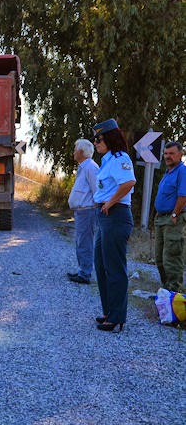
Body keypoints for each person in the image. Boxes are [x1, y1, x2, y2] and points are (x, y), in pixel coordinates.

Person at [92, 119, 136, 332]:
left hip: (116, 216)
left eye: (98, 139)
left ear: (109, 138)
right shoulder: (107, 160)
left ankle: (117, 317)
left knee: (114, 267)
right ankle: (109, 311)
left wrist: (110, 202)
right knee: (101, 264)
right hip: (105, 216)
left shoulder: (120, 158)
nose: (96, 143)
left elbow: (128, 183)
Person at [153, 141, 186, 292]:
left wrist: (174, 214)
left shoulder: (182, 171)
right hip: (161, 219)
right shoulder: (168, 172)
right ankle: (167, 293)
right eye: (165, 154)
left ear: (181, 154)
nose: (168, 156)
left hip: (174, 219)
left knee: (171, 259)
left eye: (172, 153)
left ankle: (175, 295)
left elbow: (183, 195)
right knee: (159, 259)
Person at [67, 139, 99, 284]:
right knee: (80, 242)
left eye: (75, 149)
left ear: (81, 151)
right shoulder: (84, 167)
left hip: (87, 211)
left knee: (85, 242)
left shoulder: (91, 167)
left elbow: (97, 191)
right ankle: (82, 270)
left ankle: (85, 274)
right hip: (81, 212)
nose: (73, 152)